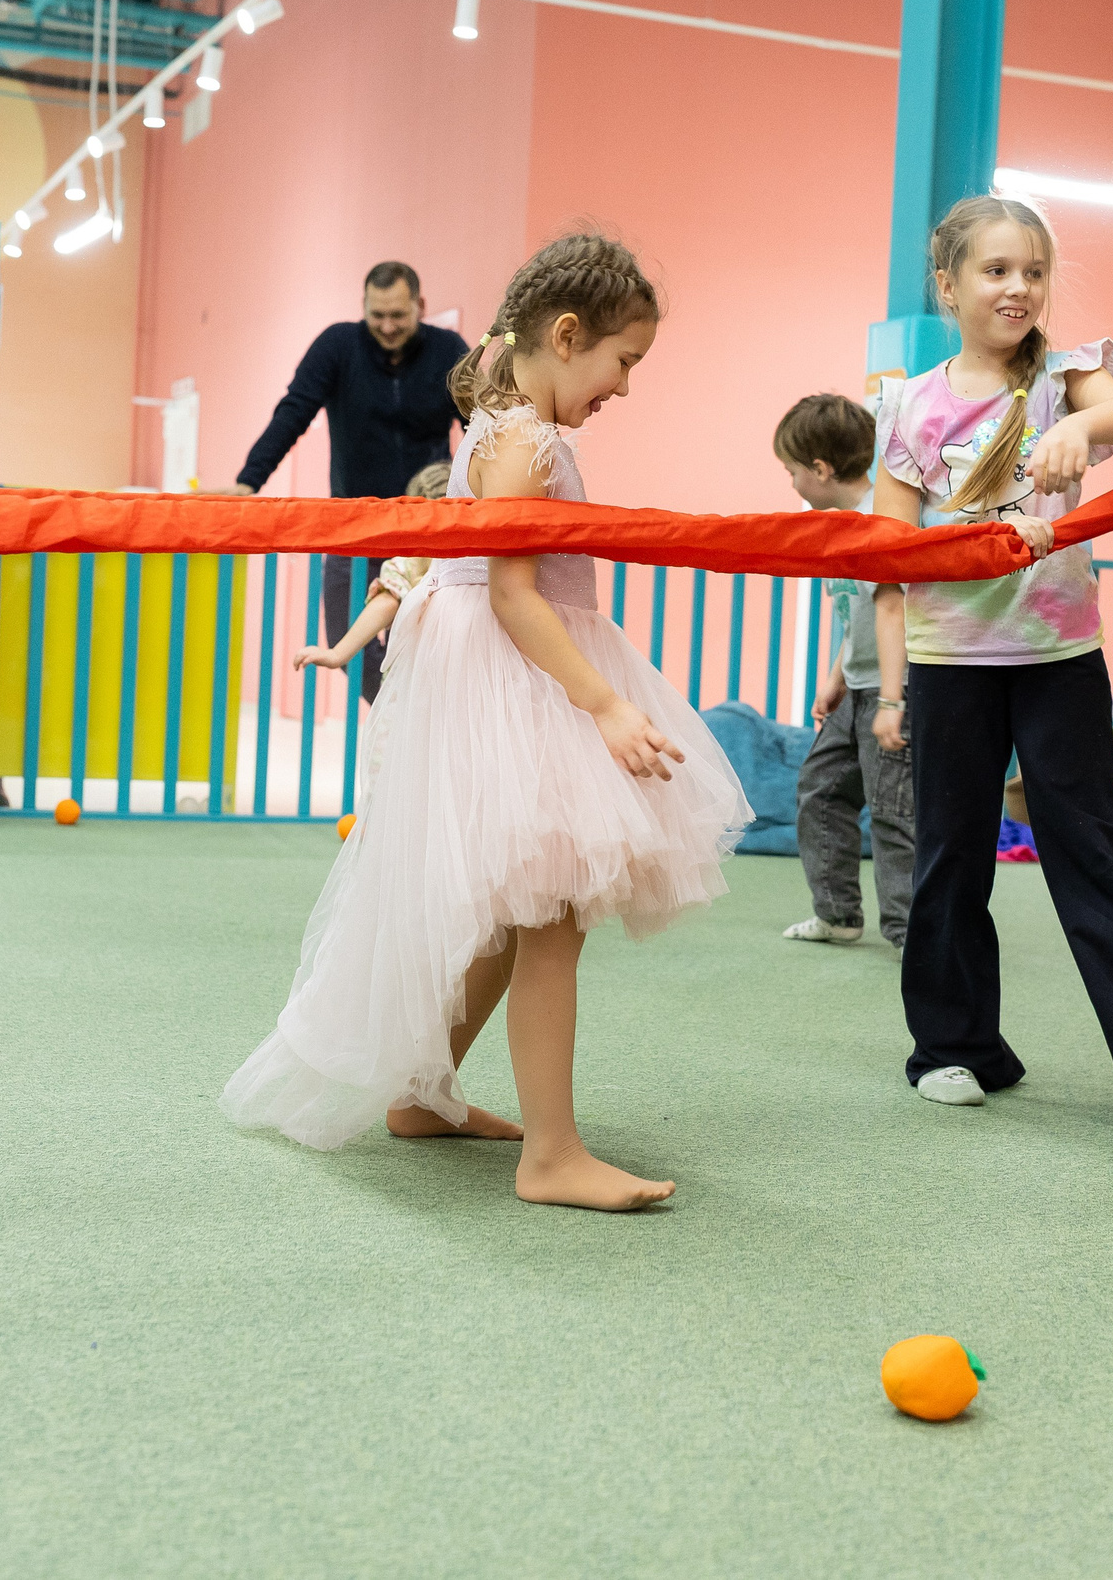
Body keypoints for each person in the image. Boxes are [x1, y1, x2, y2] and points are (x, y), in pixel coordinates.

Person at [222, 232, 751, 1211]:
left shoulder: (508, 430)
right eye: (622, 362)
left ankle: (424, 1091)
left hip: (516, 666)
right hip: (520, 673)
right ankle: (550, 1154)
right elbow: (513, 594)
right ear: (564, 334)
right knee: (549, 912)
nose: (625, 387)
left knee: (524, 907)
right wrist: (602, 704)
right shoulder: (521, 441)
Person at [869, 193, 1113, 1118]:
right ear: (949, 284)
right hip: (952, 659)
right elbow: (890, 549)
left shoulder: (1063, 380)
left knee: (1088, 847)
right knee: (951, 853)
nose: (1018, 288)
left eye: (1034, 272)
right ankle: (952, 1046)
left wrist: (1082, 429)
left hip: (1056, 654)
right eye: (997, 270)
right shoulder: (910, 405)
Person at [211, 261, 470, 700]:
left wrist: (494, 497)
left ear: (420, 306)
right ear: (363, 307)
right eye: (377, 315)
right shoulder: (337, 346)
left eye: (398, 315)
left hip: (427, 531)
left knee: (433, 645)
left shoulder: (449, 350)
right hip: (354, 527)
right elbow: (293, 412)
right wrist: (249, 481)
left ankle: (418, 723)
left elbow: (479, 426)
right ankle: (403, 714)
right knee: (349, 645)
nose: (387, 326)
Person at [772, 394, 914, 950]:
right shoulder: (838, 528)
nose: (791, 485)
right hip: (858, 686)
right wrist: (836, 676)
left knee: (894, 809)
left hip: (895, 688)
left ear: (820, 471)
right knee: (821, 789)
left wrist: (892, 700)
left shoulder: (885, 517)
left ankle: (910, 931)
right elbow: (851, 613)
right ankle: (838, 914)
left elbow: (893, 608)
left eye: (791, 473)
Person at [290, 461, 453, 679]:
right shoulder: (479, 566)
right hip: (458, 681)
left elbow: (387, 602)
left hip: (417, 683)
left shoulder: (408, 566)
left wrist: (337, 654)